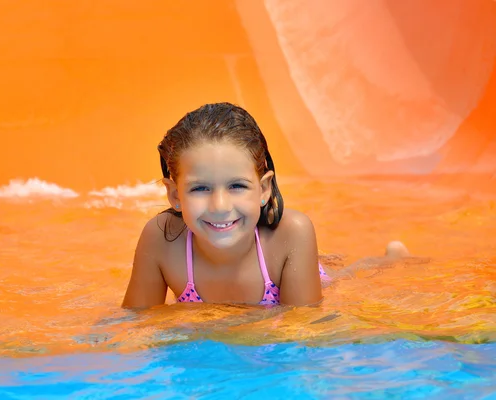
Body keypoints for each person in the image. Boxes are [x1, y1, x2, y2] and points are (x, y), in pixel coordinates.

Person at [122, 103, 409, 309]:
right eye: (200, 188)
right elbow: (137, 322)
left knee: (344, 277)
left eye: (236, 186)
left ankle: (392, 258)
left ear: (263, 189)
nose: (220, 205)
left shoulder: (292, 232)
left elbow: (301, 332)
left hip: (286, 268)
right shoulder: (161, 237)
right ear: (174, 195)